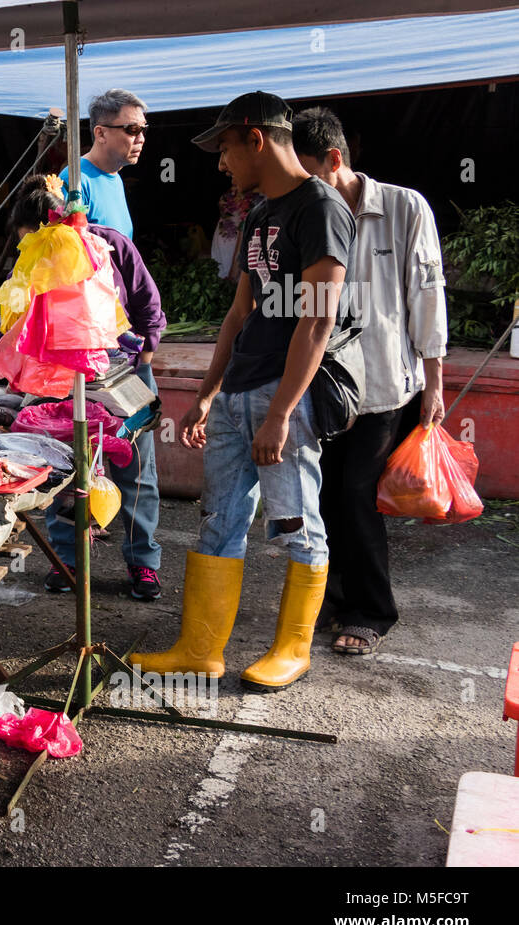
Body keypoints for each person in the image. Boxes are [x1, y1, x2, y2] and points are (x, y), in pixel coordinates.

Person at [131, 91, 356, 692]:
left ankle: (292, 649)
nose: (221, 162)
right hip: (237, 395)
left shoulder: (321, 208)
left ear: (255, 138)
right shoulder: (259, 213)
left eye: (225, 147)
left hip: (286, 397)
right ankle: (201, 650)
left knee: (297, 523)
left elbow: (317, 319)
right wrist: (206, 393)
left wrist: (281, 413)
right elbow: (239, 313)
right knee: (217, 520)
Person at [292, 106, 449, 655]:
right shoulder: (310, 210)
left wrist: (435, 383)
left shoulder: (404, 208)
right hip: (323, 380)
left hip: (383, 384)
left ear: (335, 159)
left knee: (355, 494)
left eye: (308, 171)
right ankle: (331, 599)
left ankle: (371, 610)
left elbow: (427, 298)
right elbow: (305, 298)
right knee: (323, 496)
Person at [14, 177, 167, 601]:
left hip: (124, 376)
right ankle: (67, 560)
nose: (29, 248)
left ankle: (143, 564)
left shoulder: (111, 246)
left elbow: (150, 310)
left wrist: (140, 370)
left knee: (136, 473)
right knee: (64, 471)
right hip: (62, 382)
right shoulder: (32, 261)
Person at [58, 89, 148, 239]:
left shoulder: (115, 177)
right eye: (133, 129)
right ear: (100, 133)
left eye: (144, 129)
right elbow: (66, 253)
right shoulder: (75, 180)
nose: (141, 139)